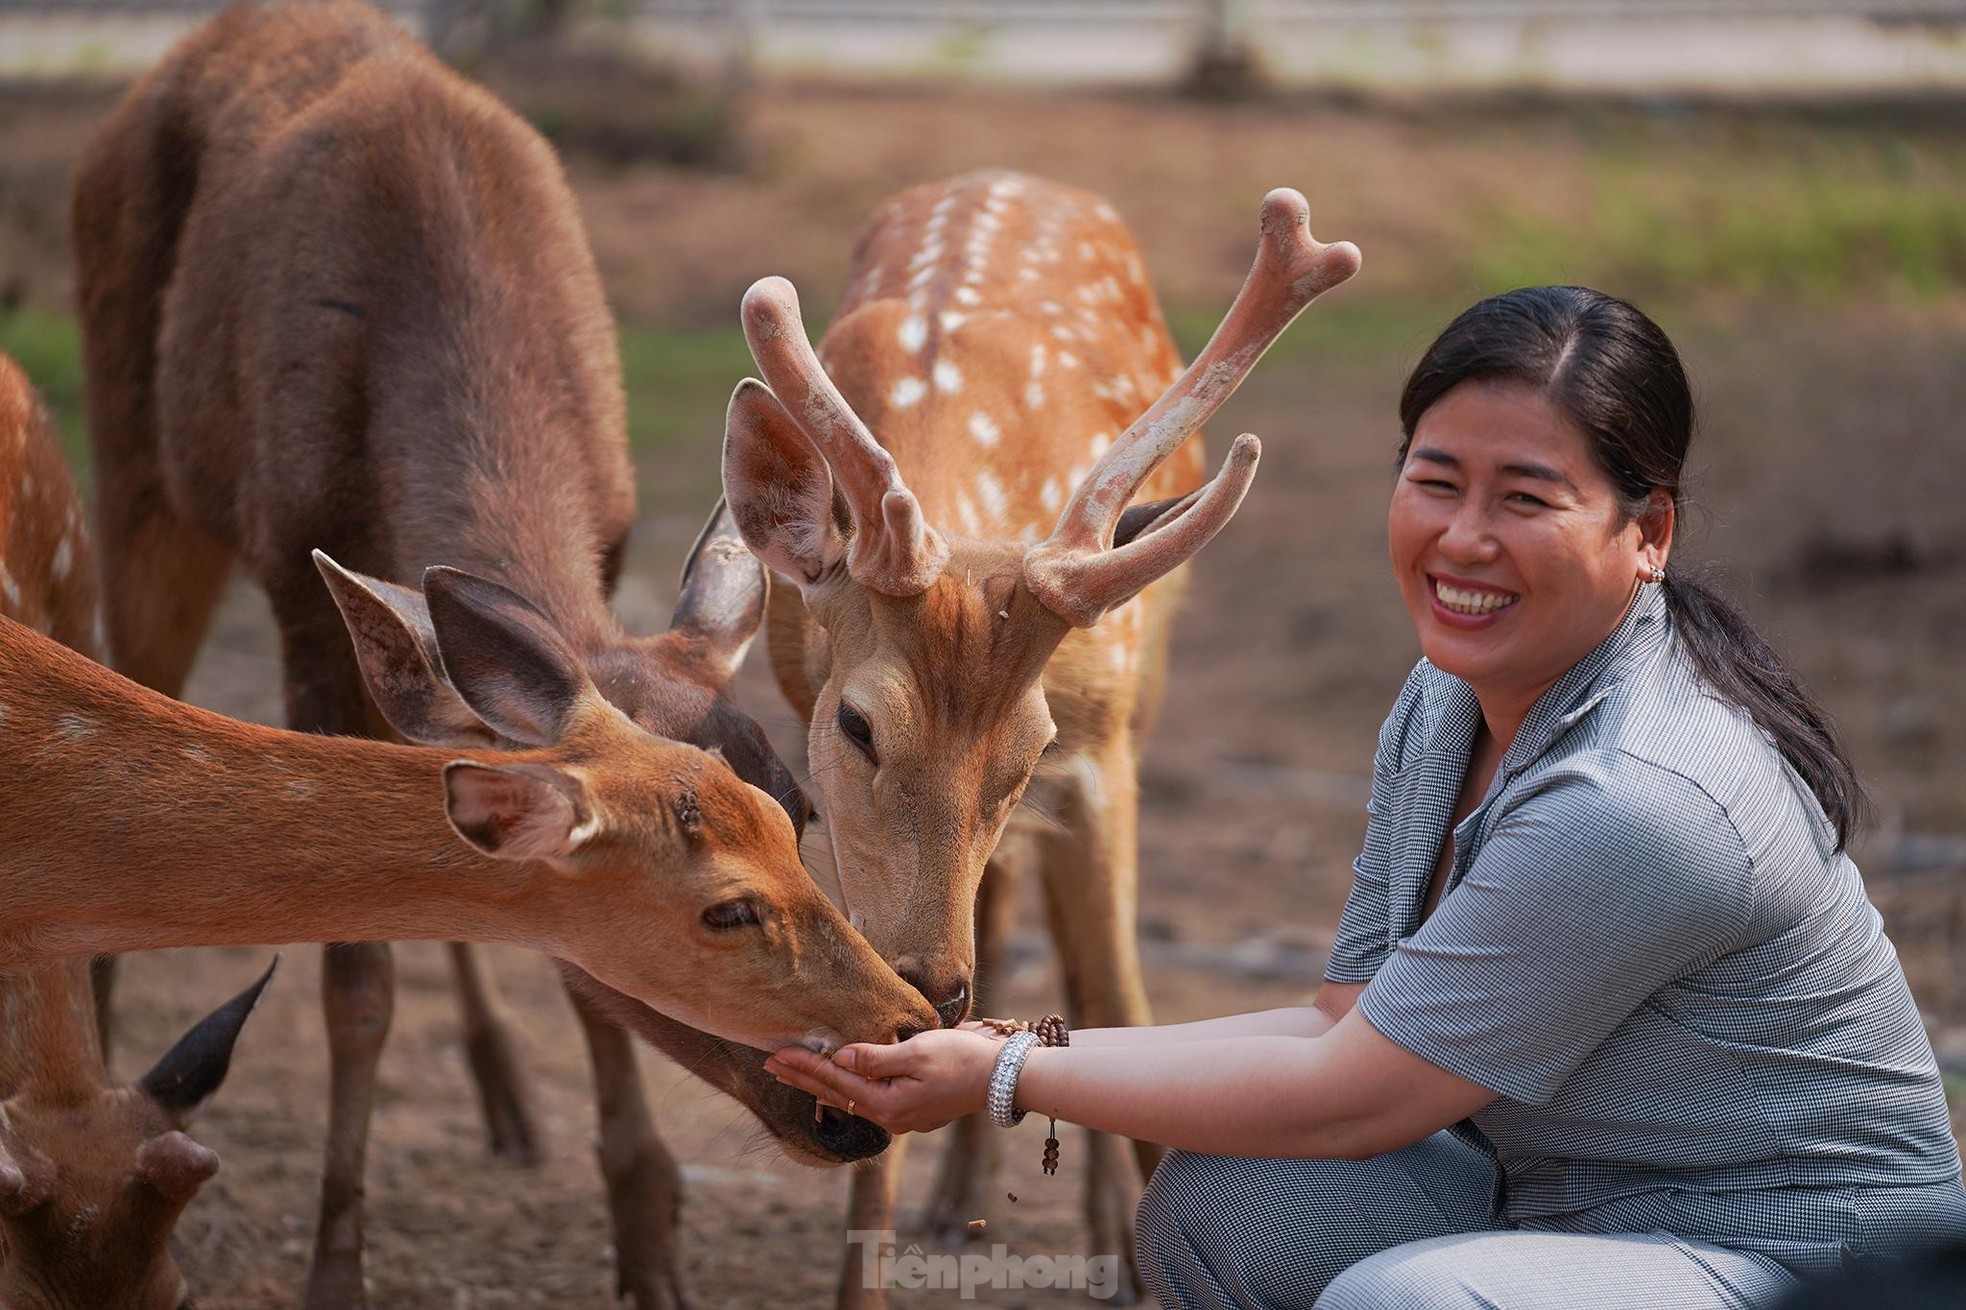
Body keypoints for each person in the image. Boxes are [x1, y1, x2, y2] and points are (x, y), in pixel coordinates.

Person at [764, 286, 1966, 1309]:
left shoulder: (1641, 800)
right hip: (1568, 1194)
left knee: (1401, 1300)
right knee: (1226, 1205)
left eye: (1526, 499)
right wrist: (1006, 1045)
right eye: (1435, 481)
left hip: (1807, 1262)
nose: (1463, 538)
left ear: (1647, 531)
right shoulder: (1449, 704)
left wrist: (1004, 1077)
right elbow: (1344, 1021)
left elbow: (1359, 1099)